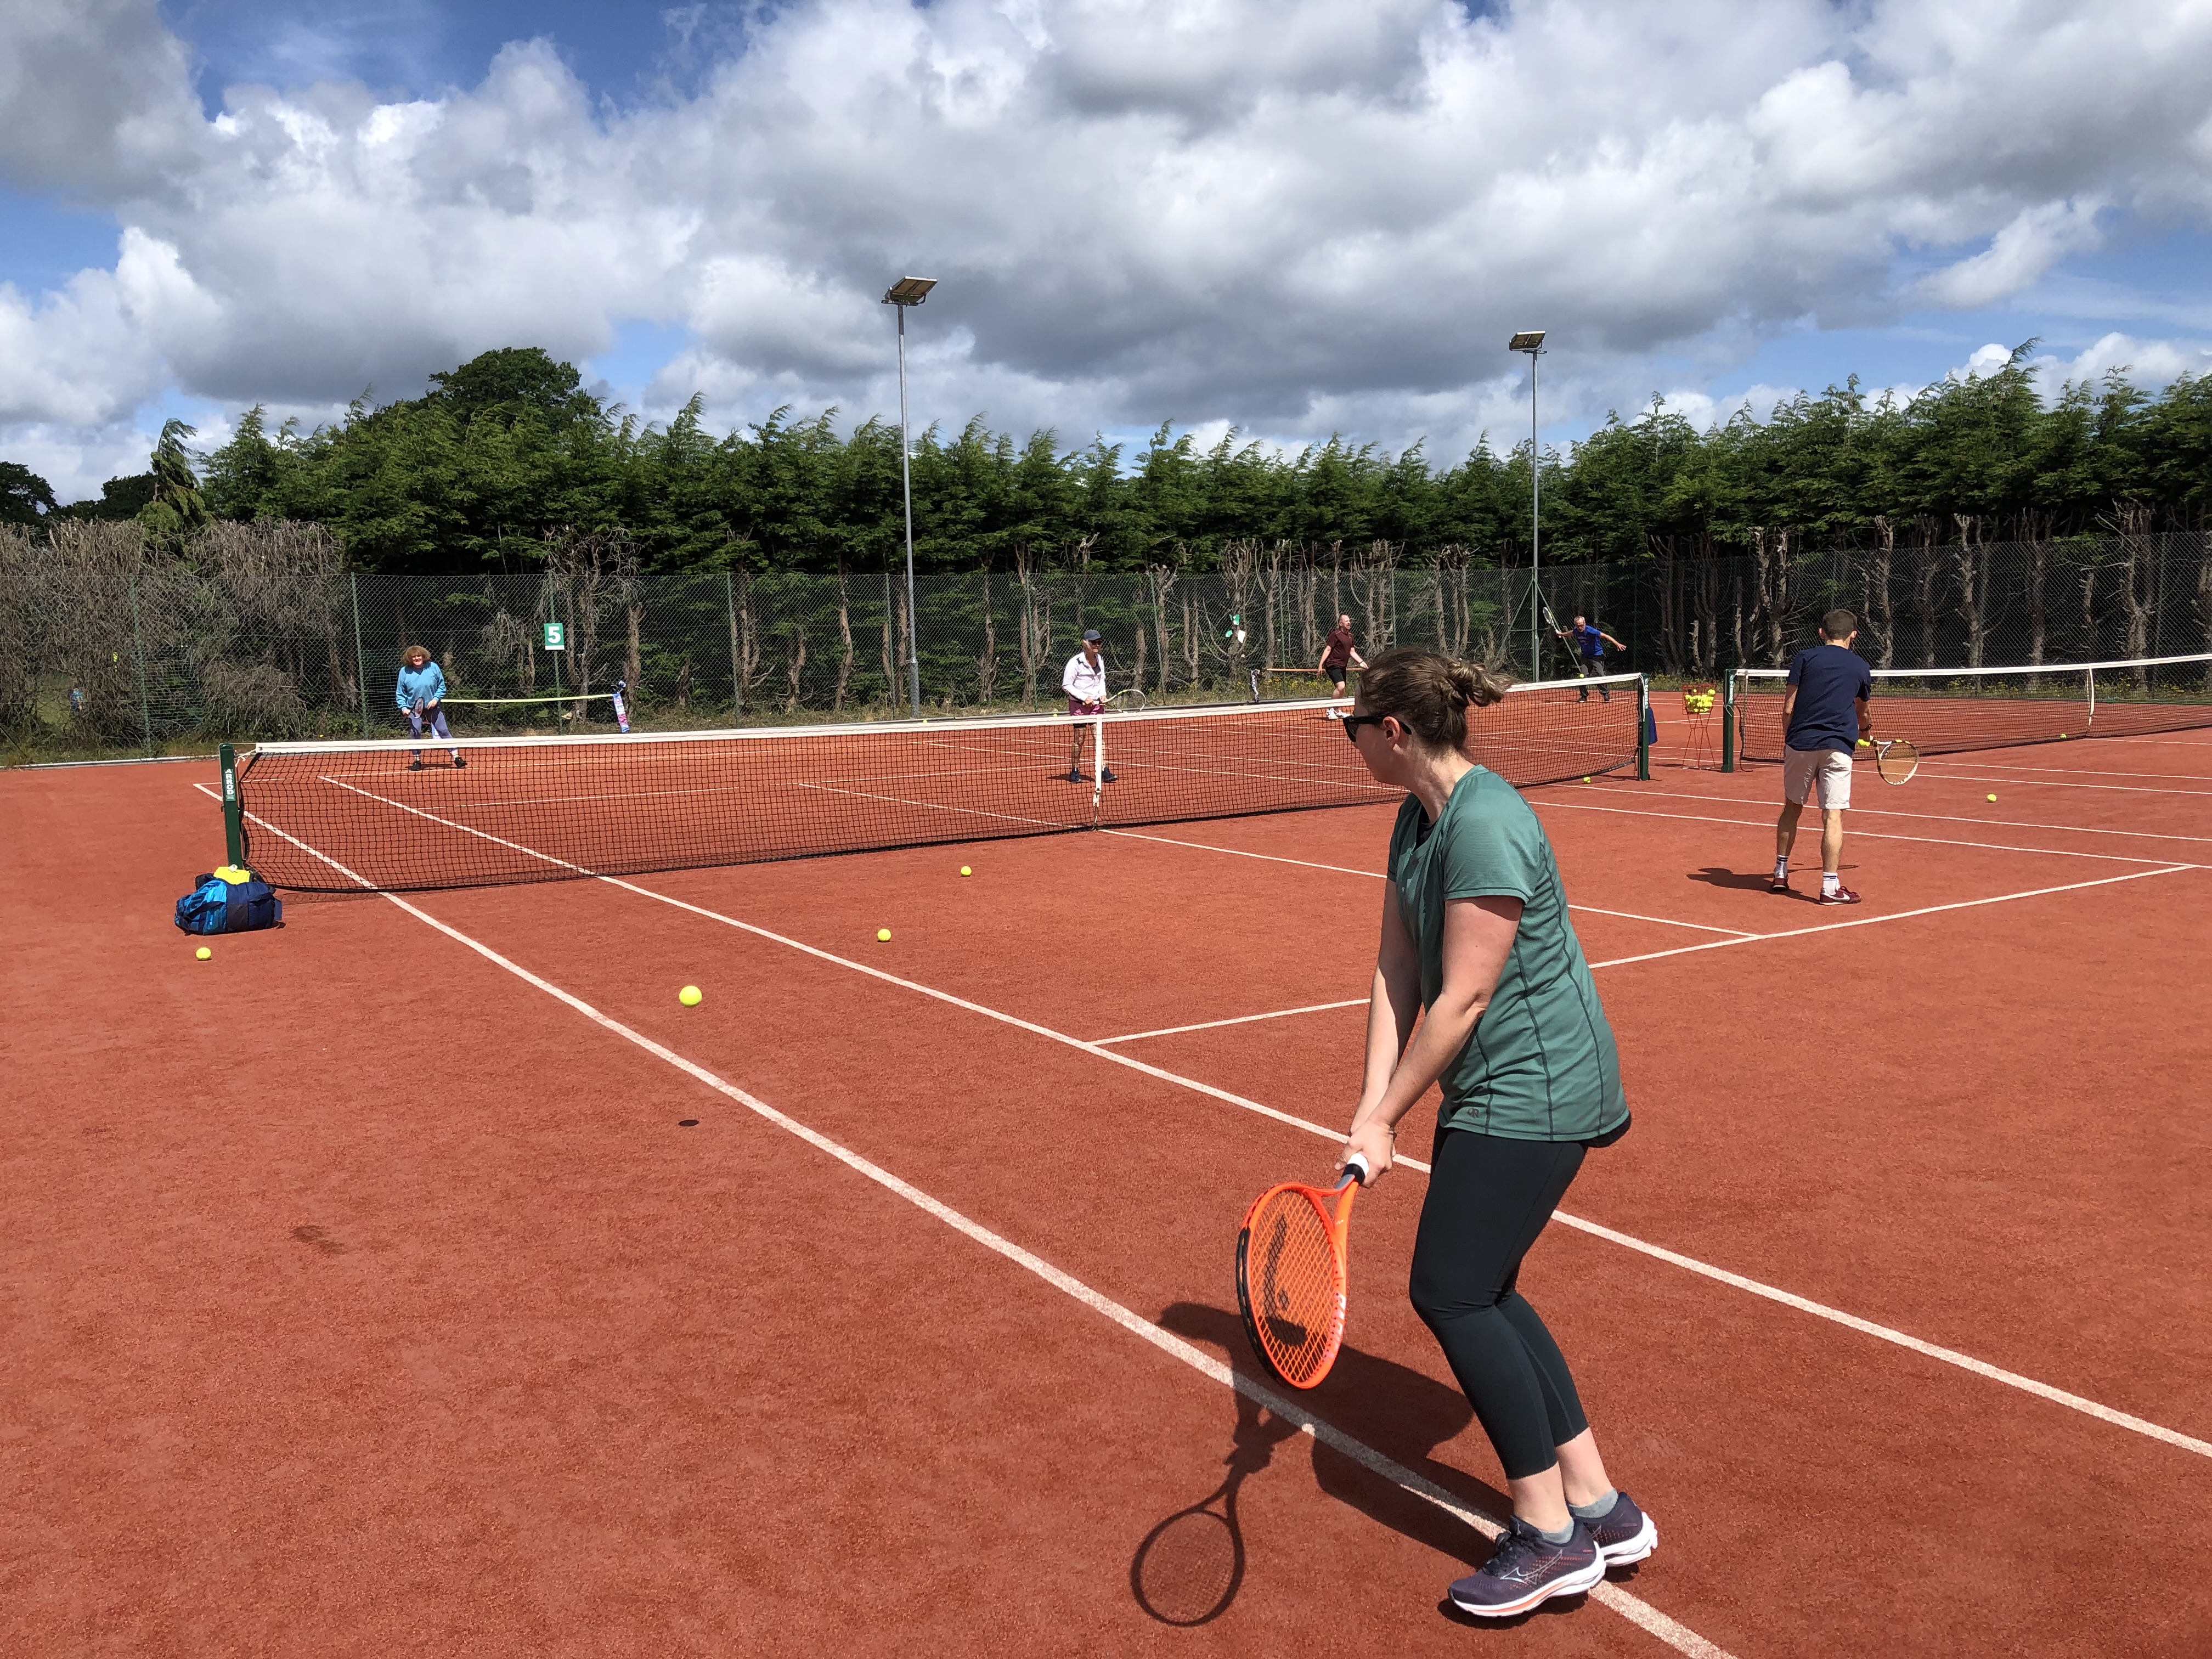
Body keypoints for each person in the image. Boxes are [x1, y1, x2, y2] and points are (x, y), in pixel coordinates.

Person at [1337, 646, 1654, 1620]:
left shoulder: (1487, 825)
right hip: (1491, 1086)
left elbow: (1464, 993)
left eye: (1354, 720)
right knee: (1486, 1284)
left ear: (1393, 731)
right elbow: (1399, 966)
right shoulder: (1414, 818)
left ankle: (1548, 1532)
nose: (1347, 735)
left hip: (1540, 1088)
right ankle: (1599, 1503)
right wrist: (1368, 1109)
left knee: (1450, 1288)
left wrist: (1392, 1114)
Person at [1772, 608, 1871, 903]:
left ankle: (1780, 871)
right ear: (1854, 634)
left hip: (1800, 744)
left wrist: (1790, 739)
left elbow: (1789, 707)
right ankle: (1829, 887)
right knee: (1833, 817)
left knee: (1792, 809)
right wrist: (1865, 732)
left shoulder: (1804, 658)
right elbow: (1862, 711)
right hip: (1838, 748)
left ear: (1822, 632)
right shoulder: (1861, 666)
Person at [396, 645, 465, 771]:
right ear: (410, 659)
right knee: (415, 733)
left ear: (423, 656)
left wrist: (435, 699)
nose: (417, 658)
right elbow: (401, 693)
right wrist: (404, 707)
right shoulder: (404, 672)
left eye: (419, 656)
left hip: (433, 706)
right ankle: (417, 761)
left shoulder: (433, 667)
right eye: (414, 657)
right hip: (414, 709)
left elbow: (441, 686)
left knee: (444, 731)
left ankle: (457, 758)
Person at [1061, 629, 1116, 784]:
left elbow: (1102, 680)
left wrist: (1103, 695)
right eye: (1093, 642)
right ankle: (1075, 770)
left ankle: (1104, 770)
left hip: (1096, 706)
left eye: (1099, 642)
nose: (1097, 645)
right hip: (1078, 706)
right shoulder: (1075, 663)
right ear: (1085, 643)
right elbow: (1066, 685)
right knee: (1080, 738)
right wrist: (1084, 698)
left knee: (1098, 737)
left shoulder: (1100, 659)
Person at [1555, 613, 1624, 702]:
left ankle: (1606, 694)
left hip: (1597, 656)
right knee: (1583, 677)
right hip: (1585, 657)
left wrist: (1617, 644)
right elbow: (1571, 633)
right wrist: (1561, 634)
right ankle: (1584, 696)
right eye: (1578, 626)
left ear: (1584, 623)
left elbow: (1606, 636)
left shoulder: (1591, 631)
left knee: (1600, 674)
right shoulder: (1576, 631)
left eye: (1581, 625)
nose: (1580, 628)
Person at [1317, 614, 1367, 715]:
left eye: (1349, 621)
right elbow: (1328, 649)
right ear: (1341, 623)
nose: (1349, 623)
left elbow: (1352, 652)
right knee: (1341, 686)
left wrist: (1361, 662)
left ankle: (1336, 710)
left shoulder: (1350, 636)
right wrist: (1320, 665)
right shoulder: (1335, 635)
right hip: (1332, 664)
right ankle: (1330, 710)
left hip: (1342, 666)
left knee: (1342, 689)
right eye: (1346, 621)